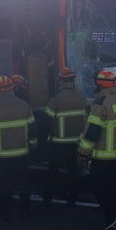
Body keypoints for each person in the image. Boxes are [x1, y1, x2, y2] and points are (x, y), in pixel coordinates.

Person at [78, 70, 116, 230]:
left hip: (103, 154)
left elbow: (93, 131)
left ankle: (112, 215)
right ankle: (114, 210)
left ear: (99, 84)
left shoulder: (100, 103)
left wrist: (83, 152)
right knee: (113, 185)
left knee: (97, 187)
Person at [0, 74, 37, 221]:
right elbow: (33, 130)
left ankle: (3, 213)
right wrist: (33, 146)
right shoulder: (24, 105)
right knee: (23, 184)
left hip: (3, 155)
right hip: (22, 152)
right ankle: (25, 212)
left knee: (3, 185)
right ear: (13, 88)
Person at [42, 67, 87, 207]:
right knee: (73, 170)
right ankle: (72, 197)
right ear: (73, 80)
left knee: (53, 170)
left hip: (58, 142)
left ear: (61, 80)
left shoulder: (57, 98)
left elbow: (47, 118)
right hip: (75, 141)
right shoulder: (81, 96)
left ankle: (48, 198)